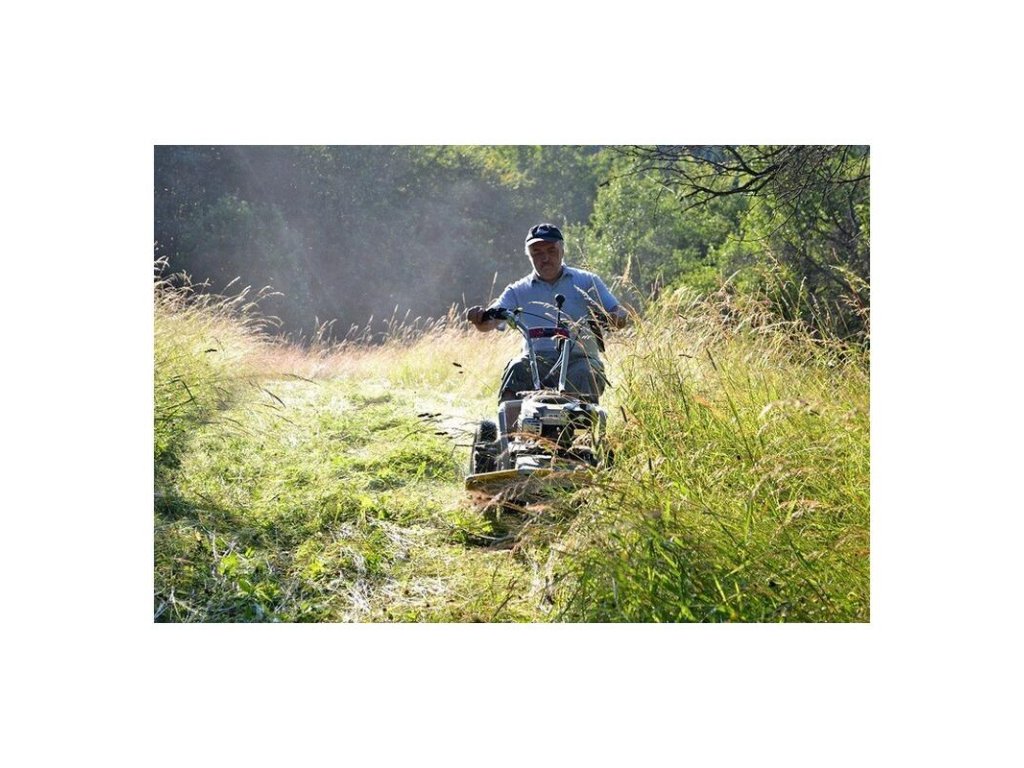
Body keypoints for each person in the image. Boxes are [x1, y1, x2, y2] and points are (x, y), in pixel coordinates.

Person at [466, 223, 628, 402]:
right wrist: (479, 318)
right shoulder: (517, 290)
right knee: (517, 367)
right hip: (536, 362)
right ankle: (510, 420)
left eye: (551, 250)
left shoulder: (587, 281)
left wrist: (617, 317)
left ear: (562, 251)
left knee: (584, 372)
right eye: (537, 252)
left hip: (579, 359)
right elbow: (490, 321)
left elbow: (617, 311)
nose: (545, 258)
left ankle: (579, 419)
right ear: (529, 255)